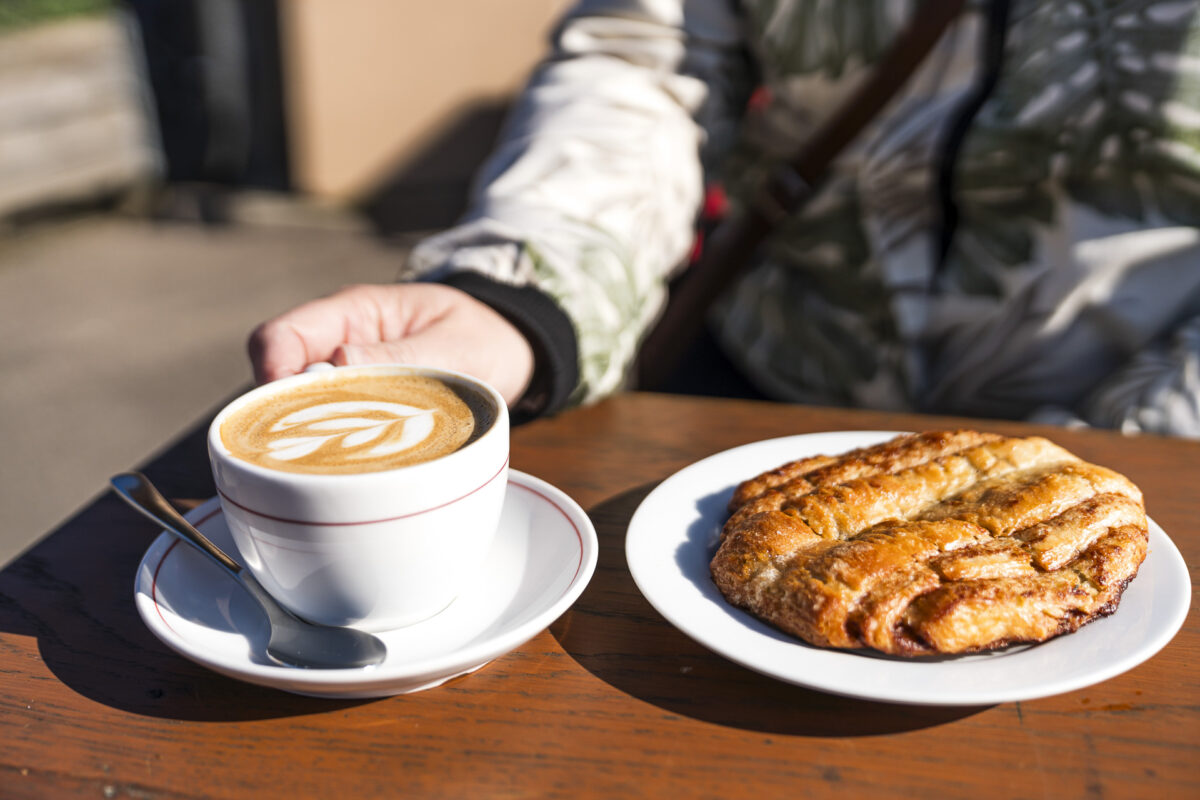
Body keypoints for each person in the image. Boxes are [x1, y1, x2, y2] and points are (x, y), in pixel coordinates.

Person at [249, 0, 1200, 436]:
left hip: (1129, 426)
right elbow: (649, 59)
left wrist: (1141, 444)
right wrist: (518, 293)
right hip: (761, 377)